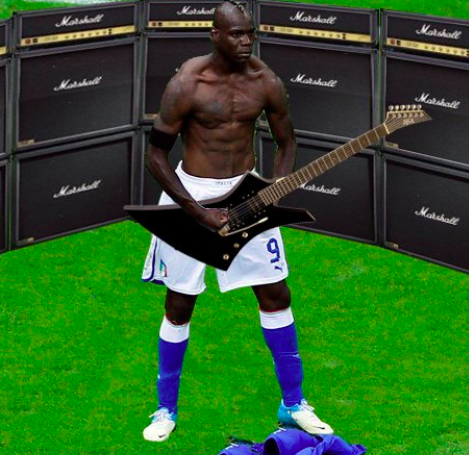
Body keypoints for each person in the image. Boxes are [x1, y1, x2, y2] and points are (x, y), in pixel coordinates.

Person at [140, 0, 333, 442]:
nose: (246, 41)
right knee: (179, 303)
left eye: (250, 33)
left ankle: (294, 404)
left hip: (248, 197)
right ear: (215, 35)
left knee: (276, 293)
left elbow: (287, 141)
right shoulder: (187, 83)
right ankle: (165, 409)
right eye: (237, 34)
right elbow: (156, 155)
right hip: (192, 197)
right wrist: (198, 212)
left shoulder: (266, 82)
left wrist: (273, 191)